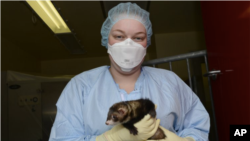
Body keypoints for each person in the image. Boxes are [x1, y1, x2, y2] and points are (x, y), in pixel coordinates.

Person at [49, 2, 210, 141]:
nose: (128, 44)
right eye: (119, 36)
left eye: (138, 38)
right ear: (107, 40)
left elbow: (197, 126)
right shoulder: (81, 86)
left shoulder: (170, 82)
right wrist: (109, 138)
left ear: (147, 43)